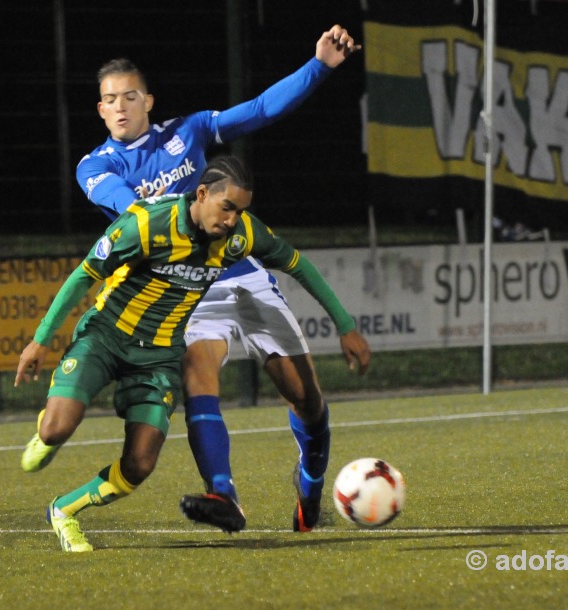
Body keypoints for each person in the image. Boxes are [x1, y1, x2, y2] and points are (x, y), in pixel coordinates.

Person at [21, 24, 369, 534]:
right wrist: (178, 220)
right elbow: (130, 209)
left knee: (306, 398)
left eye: (130, 96)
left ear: (148, 101)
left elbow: (260, 110)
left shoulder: (190, 131)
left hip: (241, 272)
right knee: (196, 375)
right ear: (100, 110)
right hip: (185, 285)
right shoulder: (95, 165)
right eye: (109, 100)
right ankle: (223, 495)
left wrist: (319, 66)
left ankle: (311, 483)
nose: (120, 107)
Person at [15, 156, 363, 552]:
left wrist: (345, 325)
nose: (233, 219)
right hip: (107, 337)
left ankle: (62, 511)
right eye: (227, 207)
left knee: (139, 465)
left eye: (241, 210)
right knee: (56, 429)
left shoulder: (241, 235)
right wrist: (41, 340)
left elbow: (298, 265)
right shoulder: (146, 224)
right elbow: (85, 274)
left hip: (159, 358)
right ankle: (48, 428)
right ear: (201, 194)